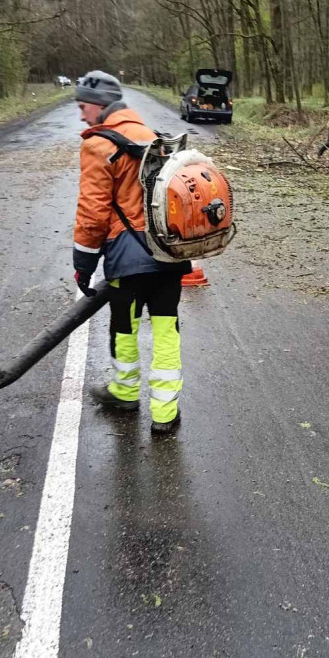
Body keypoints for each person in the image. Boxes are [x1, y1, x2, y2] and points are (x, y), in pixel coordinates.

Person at [72, 70, 190, 435]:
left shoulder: (99, 145)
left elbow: (93, 213)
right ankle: (165, 415)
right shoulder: (152, 137)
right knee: (167, 327)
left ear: (99, 105)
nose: (81, 115)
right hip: (167, 252)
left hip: (127, 258)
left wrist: (83, 263)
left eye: (83, 107)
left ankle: (125, 393)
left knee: (125, 326)